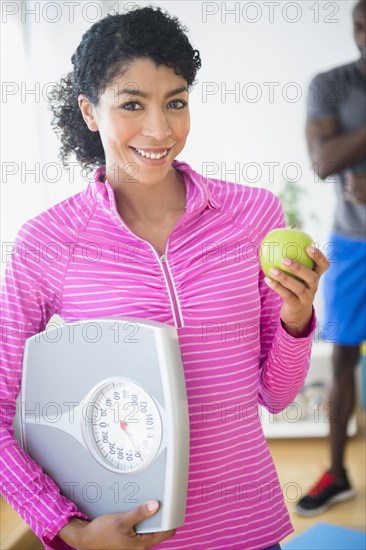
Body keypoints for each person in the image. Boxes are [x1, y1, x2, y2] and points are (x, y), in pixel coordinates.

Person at [0, 6, 329, 550]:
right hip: (128, 535)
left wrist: (296, 319)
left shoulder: (251, 215)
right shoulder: (46, 241)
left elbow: (275, 394)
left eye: (175, 102)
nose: (160, 129)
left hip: (249, 529)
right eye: (132, 104)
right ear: (89, 112)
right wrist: (70, 528)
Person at [295, 0, 366, 517]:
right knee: (343, 356)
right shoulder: (330, 83)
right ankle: (337, 474)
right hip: (351, 243)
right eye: (360, 27)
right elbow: (323, 161)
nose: (365, 38)